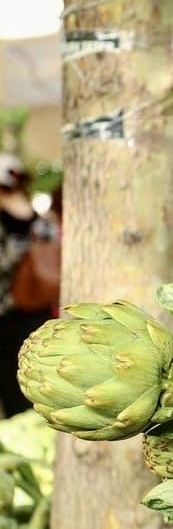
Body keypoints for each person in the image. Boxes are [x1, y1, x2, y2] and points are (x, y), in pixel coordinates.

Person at [0, 154, 56, 417]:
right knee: (37, 381)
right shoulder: (39, 220)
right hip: (38, 312)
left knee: (14, 389)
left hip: (8, 315)